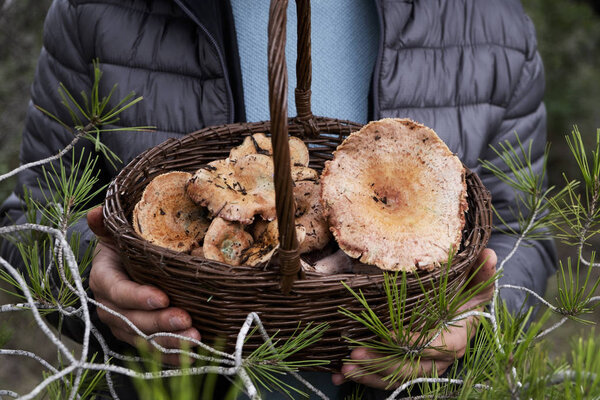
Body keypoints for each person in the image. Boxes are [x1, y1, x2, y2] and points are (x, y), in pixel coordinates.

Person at [0, 0, 556, 398]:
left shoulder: (493, 22)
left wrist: (479, 313)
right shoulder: (94, 12)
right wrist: (93, 287)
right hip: (162, 386)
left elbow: (522, 231)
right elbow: (36, 214)